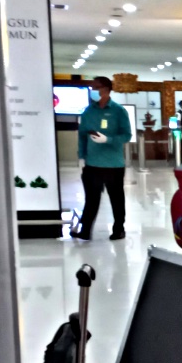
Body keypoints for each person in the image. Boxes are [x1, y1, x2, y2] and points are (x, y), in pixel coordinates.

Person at [74, 76, 132, 241]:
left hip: (113, 164)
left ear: (106, 89)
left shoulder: (118, 111)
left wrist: (108, 139)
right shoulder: (88, 111)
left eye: (96, 87)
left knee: (116, 199)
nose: (92, 90)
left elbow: (127, 135)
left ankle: (119, 229)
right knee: (91, 199)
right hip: (92, 164)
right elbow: (82, 135)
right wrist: (82, 156)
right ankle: (85, 230)